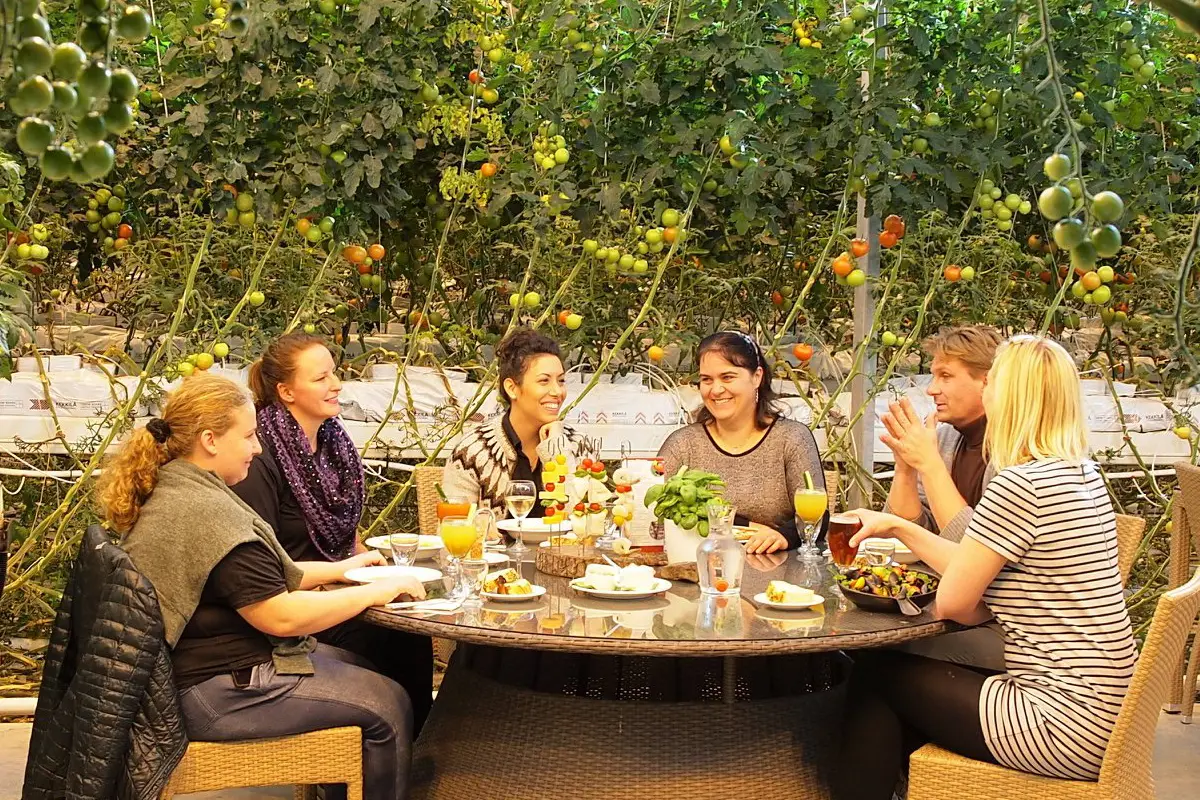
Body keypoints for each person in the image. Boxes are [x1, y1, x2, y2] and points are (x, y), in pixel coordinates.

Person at [833, 335, 1136, 800]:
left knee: (876, 678)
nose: (989, 390)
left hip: (1059, 721)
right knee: (899, 682)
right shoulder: (1080, 472)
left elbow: (954, 602)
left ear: (1011, 395)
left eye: (995, 381)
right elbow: (987, 593)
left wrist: (905, 531)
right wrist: (903, 526)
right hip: (1112, 715)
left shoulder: (1021, 484)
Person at [99, 374, 423, 800]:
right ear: (210, 440)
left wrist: (343, 569)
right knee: (388, 705)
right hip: (206, 693)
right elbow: (279, 615)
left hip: (203, 671)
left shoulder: (180, 485)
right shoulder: (206, 511)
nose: (258, 447)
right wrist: (373, 592)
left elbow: (258, 577)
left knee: (367, 668)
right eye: (250, 435)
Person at [231, 332, 435, 733]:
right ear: (287, 391)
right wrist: (347, 581)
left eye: (334, 373)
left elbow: (346, 530)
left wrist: (371, 568)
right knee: (390, 641)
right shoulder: (258, 458)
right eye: (321, 378)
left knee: (410, 623)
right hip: (290, 604)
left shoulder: (332, 443)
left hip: (338, 584)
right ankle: (386, 751)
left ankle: (421, 747)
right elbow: (262, 564)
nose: (336, 384)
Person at [881, 324, 1005, 669]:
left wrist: (930, 465)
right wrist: (906, 468)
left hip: (1004, 627)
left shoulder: (1012, 454)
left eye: (946, 376)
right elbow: (912, 533)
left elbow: (973, 560)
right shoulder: (949, 437)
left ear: (987, 380)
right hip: (957, 605)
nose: (932, 389)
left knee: (879, 656)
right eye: (933, 376)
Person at [657, 331, 824, 554]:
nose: (715, 390)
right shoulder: (682, 444)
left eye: (727, 377)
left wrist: (784, 537)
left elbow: (818, 520)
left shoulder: (791, 438)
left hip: (777, 575)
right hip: (700, 573)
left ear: (757, 377)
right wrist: (747, 526)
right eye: (707, 379)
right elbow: (657, 518)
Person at [442, 328, 590, 512]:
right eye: (544, 381)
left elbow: (582, 522)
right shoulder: (473, 451)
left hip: (560, 542)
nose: (557, 392)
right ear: (512, 388)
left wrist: (556, 448)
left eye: (560, 381)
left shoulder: (577, 445)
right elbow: (453, 524)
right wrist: (484, 529)